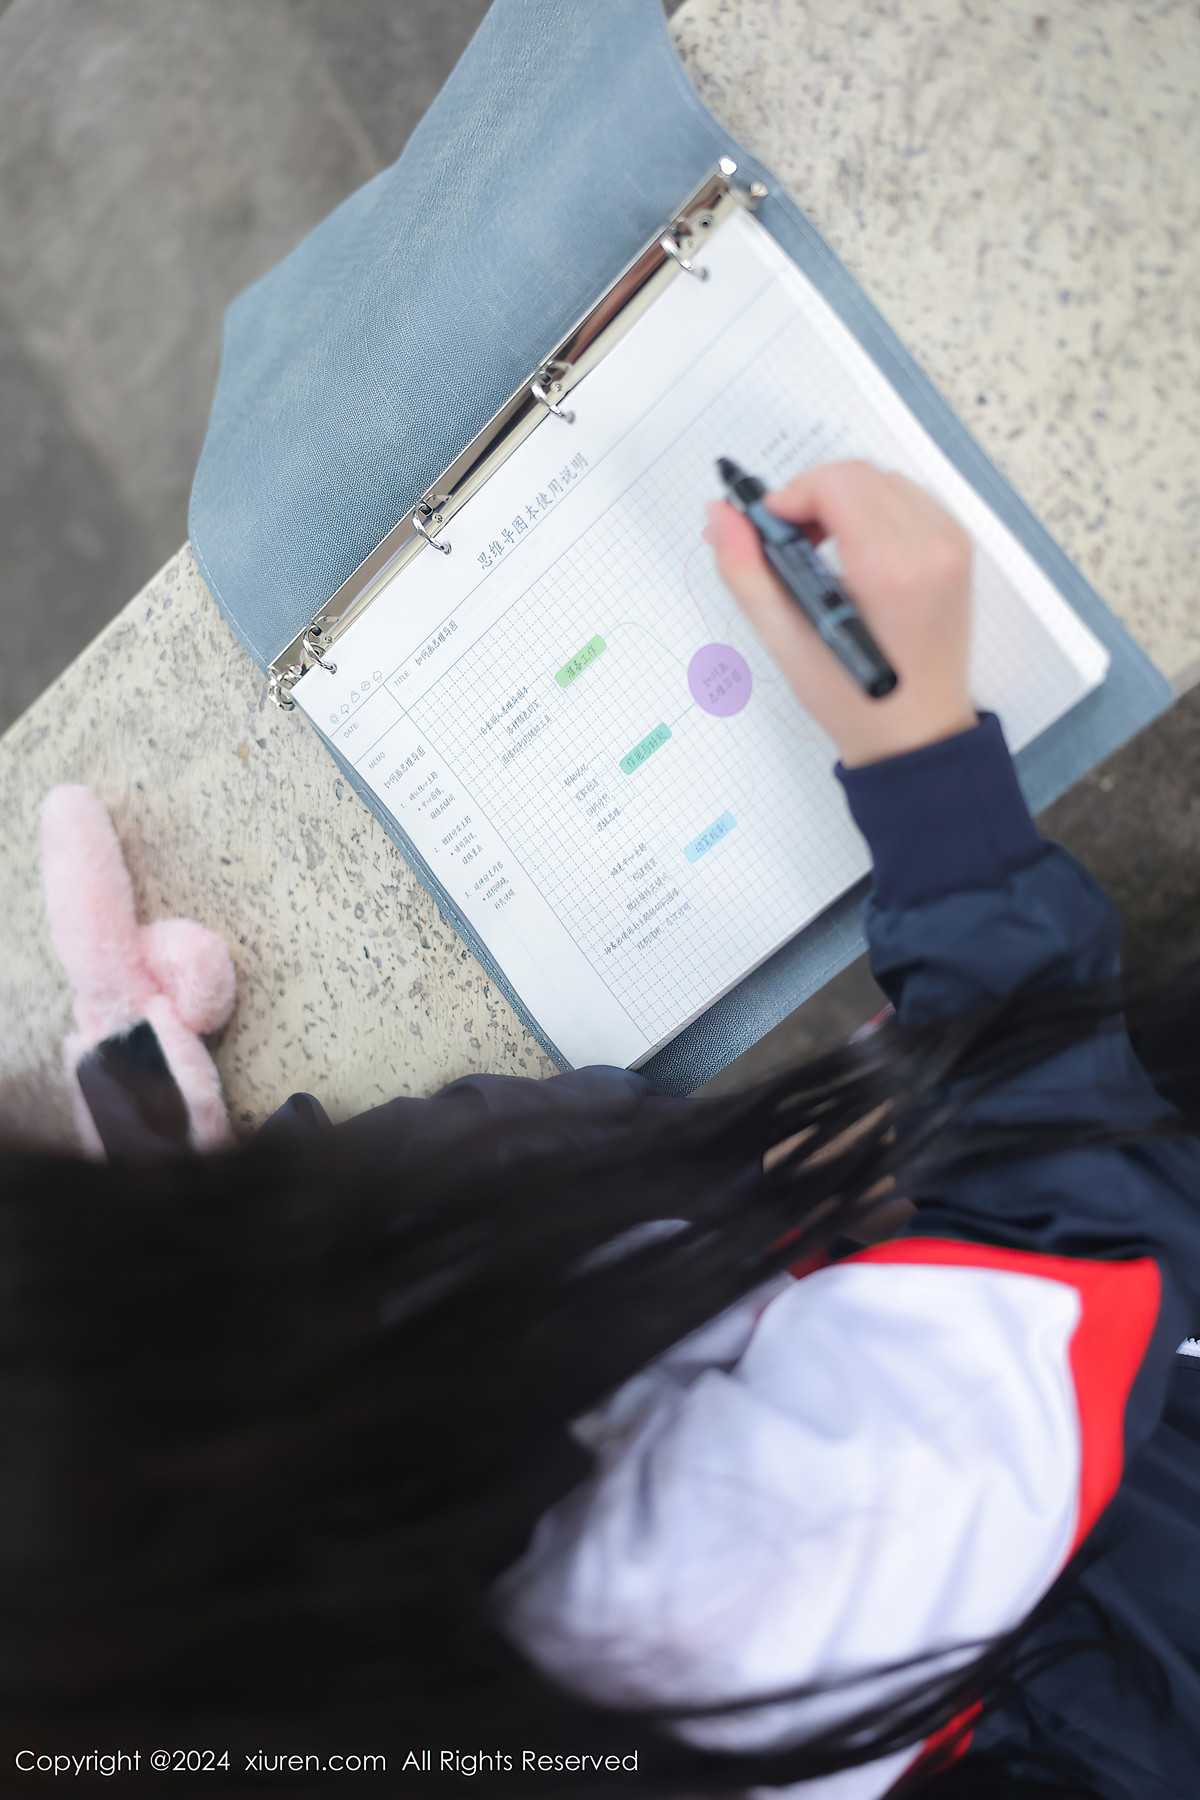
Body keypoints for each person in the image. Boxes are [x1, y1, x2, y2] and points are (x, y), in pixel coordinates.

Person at [3, 463, 1198, 1799]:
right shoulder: (723, 1611)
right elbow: (1089, 1260)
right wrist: (924, 767)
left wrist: (197, 1218)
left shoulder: (229, 1647)